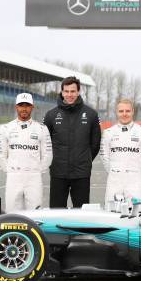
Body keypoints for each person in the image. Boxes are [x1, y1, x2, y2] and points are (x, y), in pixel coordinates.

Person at [44, 76, 101, 208]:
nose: (69, 94)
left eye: (73, 91)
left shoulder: (91, 114)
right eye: (67, 91)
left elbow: (95, 143)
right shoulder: (50, 115)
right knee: (56, 211)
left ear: (78, 91)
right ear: (62, 92)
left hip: (81, 173)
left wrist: (85, 159)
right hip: (58, 172)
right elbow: (45, 143)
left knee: (82, 214)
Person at [0, 93, 52, 213]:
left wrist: (37, 170)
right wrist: (11, 170)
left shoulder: (42, 129)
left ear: (32, 107)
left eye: (27, 105)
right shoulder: (6, 128)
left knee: (35, 214)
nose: (24, 108)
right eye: (21, 105)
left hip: (34, 177)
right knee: (12, 213)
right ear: (16, 107)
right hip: (13, 177)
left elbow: (48, 155)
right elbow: (0, 155)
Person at [100, 98, 141, 217]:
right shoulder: (108, 133)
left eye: (127, 111)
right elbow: (104, 157)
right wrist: (115, 172)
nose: (124, 114)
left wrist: (138, 176)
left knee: (136, 215)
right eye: (121, 111)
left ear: (132, 112)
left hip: (135, 181)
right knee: (111, 215)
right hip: (114, 180)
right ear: (116, 112)